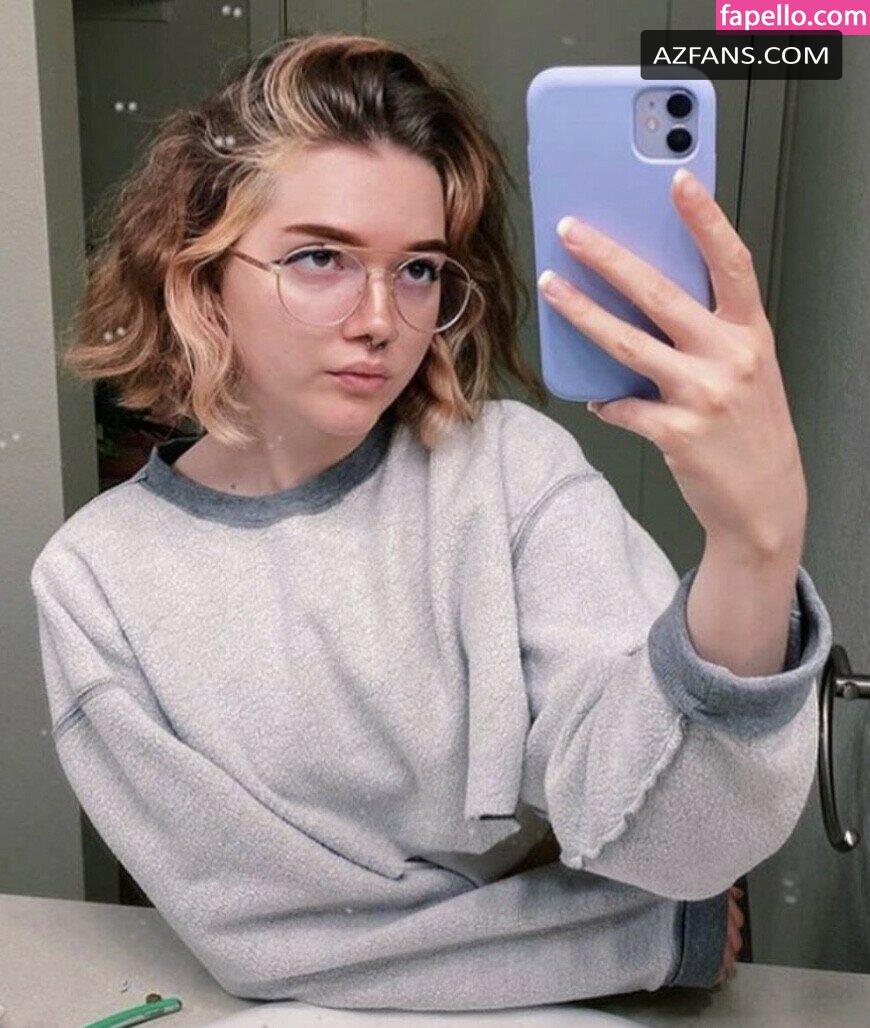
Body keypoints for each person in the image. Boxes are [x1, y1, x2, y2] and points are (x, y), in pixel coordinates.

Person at [29, 32, 829, 1010]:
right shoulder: (97, 584)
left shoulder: (512, 474)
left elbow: (677, 841)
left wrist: (755, 547)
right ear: (197, 274)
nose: (380, 318)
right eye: (320, 257)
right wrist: (639, 930)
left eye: (418, 269)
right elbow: (270, 945)